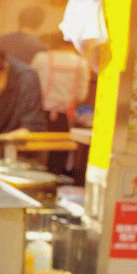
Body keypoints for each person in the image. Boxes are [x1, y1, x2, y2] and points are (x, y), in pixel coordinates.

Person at [31, 35, 91, 174]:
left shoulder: (41, 58)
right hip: (65, 116)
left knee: (36, 155)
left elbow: (30, 83)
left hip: (39, 113)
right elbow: (82, 95)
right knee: (59, 158)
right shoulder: (81, 62)